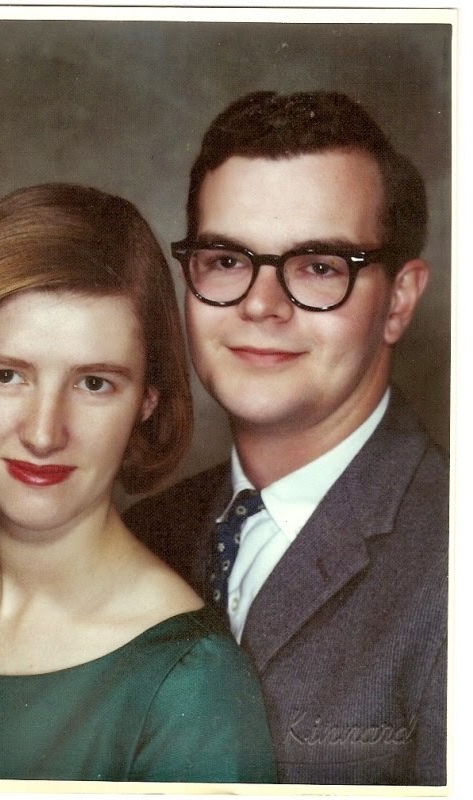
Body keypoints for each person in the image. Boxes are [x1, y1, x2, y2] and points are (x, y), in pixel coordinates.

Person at [0, 183, 276, 782]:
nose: (43, 434)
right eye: (5, 375)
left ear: (146, 400)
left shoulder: (193, 688)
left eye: (94, 383)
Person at [124, 91, 448, 785]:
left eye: (319, 267)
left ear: (399, 301)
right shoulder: (142, 536)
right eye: (226, 260)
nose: (260, 305)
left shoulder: (455, 560)